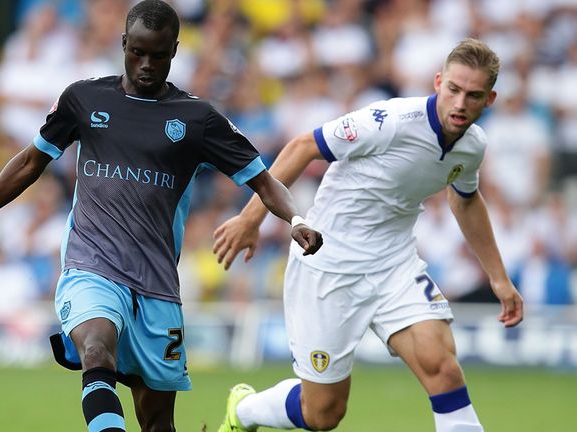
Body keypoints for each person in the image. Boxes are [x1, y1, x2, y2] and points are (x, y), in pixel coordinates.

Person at [0, 1, 322, 431]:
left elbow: (264, 181)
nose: (146, 64)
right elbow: (28, 163)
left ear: (174, 51)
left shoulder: (197, 119)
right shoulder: (84, 98)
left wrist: (296, 219)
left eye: (158, 54)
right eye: (137, 52)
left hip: (157, 286)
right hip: (91, 267)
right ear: (123, 44)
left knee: (157, 422)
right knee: (96, 350)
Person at [213, 38, 524, 432]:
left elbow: (465, 201)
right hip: (327, 265)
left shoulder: (472, 147)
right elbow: (303, 146)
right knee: (322, 414)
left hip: (394, 265)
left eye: (473, 95)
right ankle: (245, 410)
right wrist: (251, 218)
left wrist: (498, 277)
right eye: (454, 90)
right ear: (438, 82)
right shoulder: (391, 121)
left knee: (442, 368)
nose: (461, 104)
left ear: (490, 99)